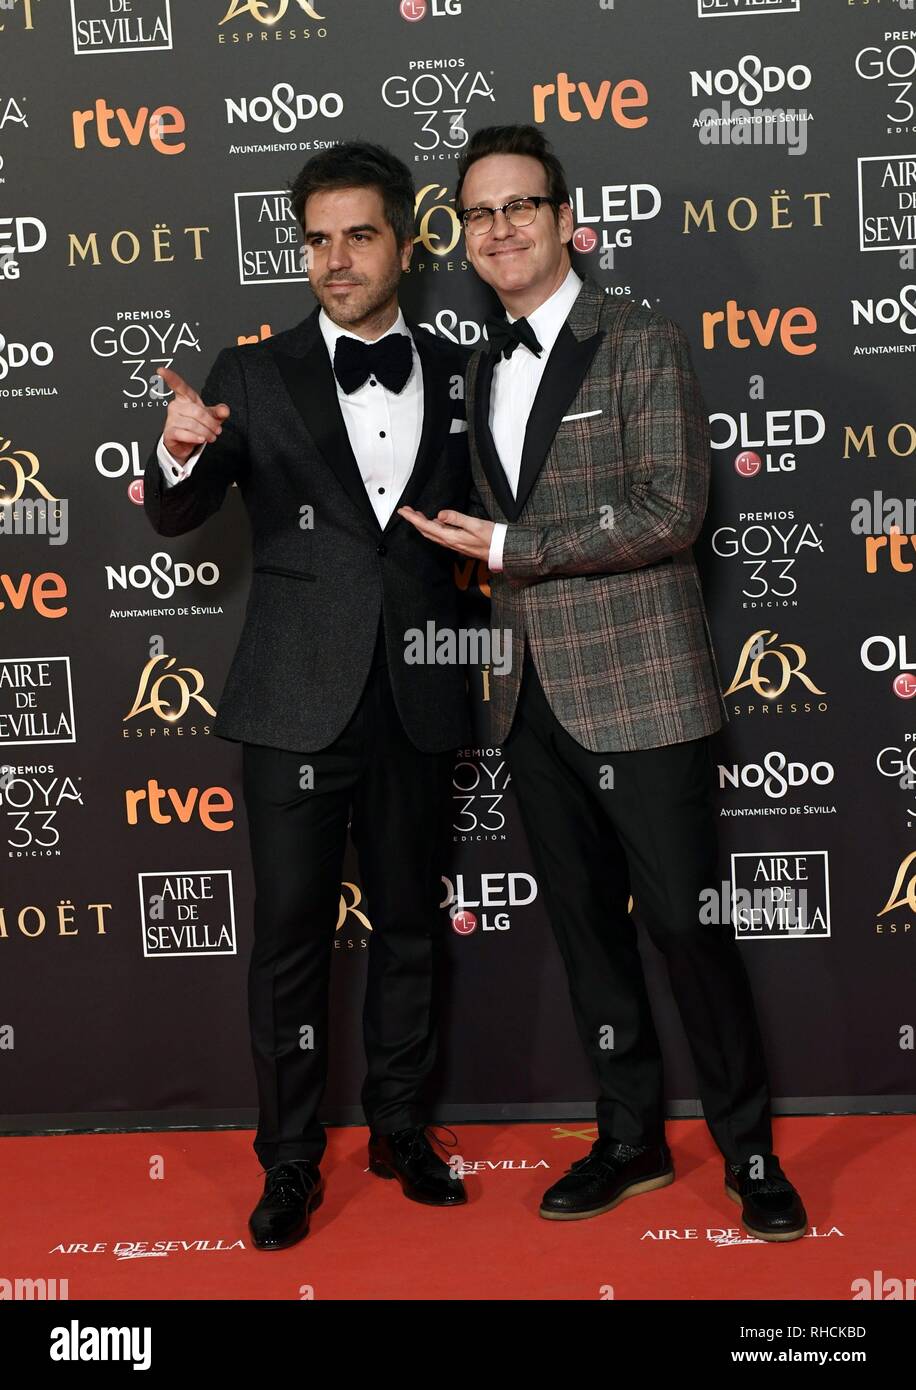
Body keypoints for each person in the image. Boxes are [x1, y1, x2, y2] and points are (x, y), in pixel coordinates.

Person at [399, 124, 808, 1242]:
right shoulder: (476, 367)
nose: (498, 228)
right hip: (525, 693)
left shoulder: (638, 339)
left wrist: (507, 550)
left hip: (641, 688)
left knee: (684, 925)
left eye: (518, 205)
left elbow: (671, 512)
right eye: (478, 213)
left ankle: (750, 1147)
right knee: (586, 933)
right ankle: (627, 1134)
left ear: (566, 217)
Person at [143, 141, 473, 1250]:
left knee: (412, 927)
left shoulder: (463, 368)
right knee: (286, 937)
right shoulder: (247, 373)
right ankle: (287, 1161)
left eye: (359, 235)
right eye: (318, 239)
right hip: (291, 699)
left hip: (419, 692)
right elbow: (179, 517)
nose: (336, 259)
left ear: (405, 243)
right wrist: (179, 452)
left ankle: (399, 1130)